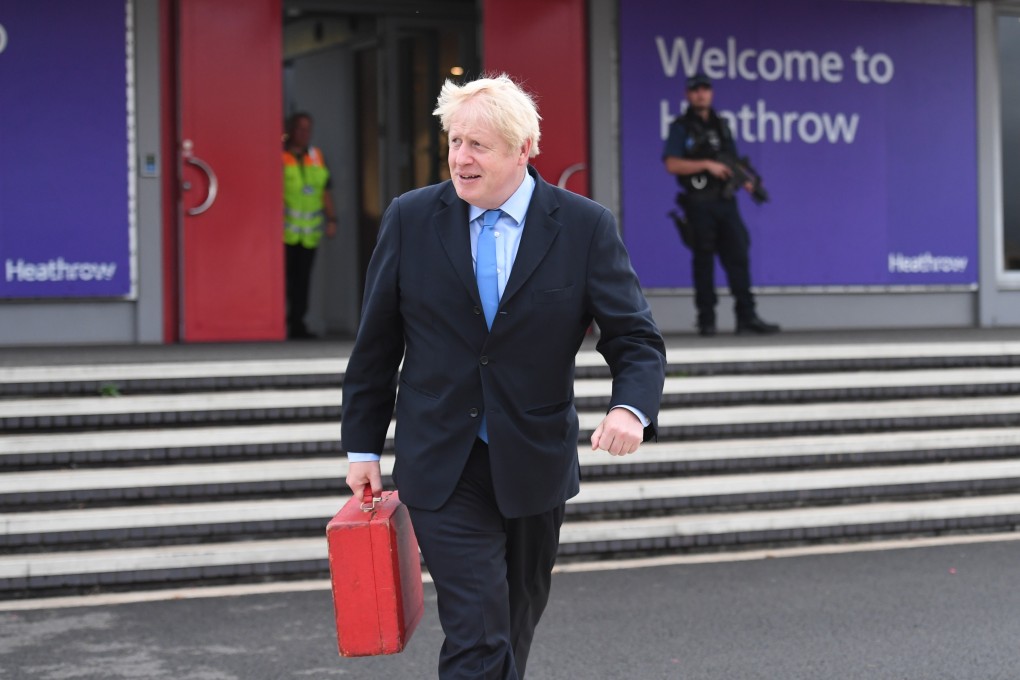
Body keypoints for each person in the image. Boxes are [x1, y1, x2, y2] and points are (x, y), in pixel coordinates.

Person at [341, 75, 666, 679]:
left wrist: (630, 408)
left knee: (513, 624)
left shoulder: (583, 226)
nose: (460, 158)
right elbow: (377, 344)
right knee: (479, 629)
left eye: (478, 145)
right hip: (441, 458)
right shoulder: (411, 218)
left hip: (532, 461)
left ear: (524, 149)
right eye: (455, 141)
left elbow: (635, 338)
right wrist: (362, 446)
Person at [663, 73, 780, 336]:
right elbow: (672, 164)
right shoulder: (681, 126)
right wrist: (706, 165)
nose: (700, 94)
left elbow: (732, 161)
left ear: (711, 92)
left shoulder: (721, 125)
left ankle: (746, 316)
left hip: (725, 201)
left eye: (705, 89)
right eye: (695, 90)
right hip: (698, 203)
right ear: (688, 94)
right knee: (703, 260)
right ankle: (707, 320)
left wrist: (747, 182)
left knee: (738, 254)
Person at [282, 112, 337, 339]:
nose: (304, 133)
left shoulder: (316, 156)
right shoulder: (279, 156)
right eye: (299, 128)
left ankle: (297, 325)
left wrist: (332, 219)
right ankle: (280, 325)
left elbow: (324, 191)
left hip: (309, 233)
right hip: (283, 233)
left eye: (308, 129)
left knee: (303, 282)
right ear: (290, 129)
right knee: (284, 282)